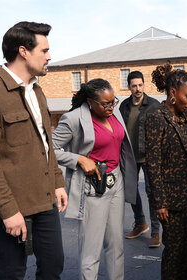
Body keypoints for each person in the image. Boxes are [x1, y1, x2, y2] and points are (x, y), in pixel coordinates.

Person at [0, 21, 68, 279]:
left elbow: (45, 143)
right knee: (12, 273)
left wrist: (57, 182)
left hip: (44, 200)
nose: (49, 56)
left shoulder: (37, 91)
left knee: (53, 268)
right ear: (23, 51)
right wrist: (9, 211)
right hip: (11, 207)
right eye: (44, 50)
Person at [52, 79, 137, 280]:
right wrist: (79, 159)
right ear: (90, 102)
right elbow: (48, 150)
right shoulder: (73, 119)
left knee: (116, 245)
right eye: (105, 104)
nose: (110, 107)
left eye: (113, 101)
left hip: (116, 182)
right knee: (91, 250)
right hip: (93, 187)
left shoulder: (114, 113)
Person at [146, 63, 187, 279]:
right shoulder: (156, 118)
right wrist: (159, 202)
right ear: (173, 93)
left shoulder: (183, 119)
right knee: (174, 252)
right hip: (169, 202)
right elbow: (153, 164)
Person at [119, 71, 161, 247]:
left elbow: (161, 132)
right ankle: (140, 223)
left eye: (140, 85)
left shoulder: (154, 105)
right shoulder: (123, 106)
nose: (137, 89)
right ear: (129, 87)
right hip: (129, 156)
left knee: (152, 193)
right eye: (134, 85)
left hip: (149, 157)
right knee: (131, 191)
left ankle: (155, 232)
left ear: (144, 85)